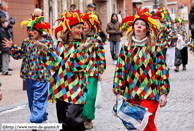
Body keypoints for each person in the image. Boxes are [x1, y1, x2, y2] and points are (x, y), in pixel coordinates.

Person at [34, 10, 95, 131]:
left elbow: (77, 67)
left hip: (76, 88)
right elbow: (54, 66)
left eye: (82, 28)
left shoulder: (84, 45)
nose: (81, 31)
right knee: (63, 122)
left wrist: (80, 51)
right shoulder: (57, 45)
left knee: (74, 120)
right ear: (68, 28)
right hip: (60, 88)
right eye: (78, 27)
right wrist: (46, 51)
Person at [114, 7, 170, 131]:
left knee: (146, 123)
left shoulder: (154, 47)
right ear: (133, 28)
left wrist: (163, 92)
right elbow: (120, 71)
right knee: (134, 126)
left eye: (142, 24)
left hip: (150, 93)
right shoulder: (125, 48)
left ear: (147, 29)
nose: (139, 26)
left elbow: (162, 70)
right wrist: (118, 92)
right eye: (137, 24)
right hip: (131, 93)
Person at [2, 15, 52, 123]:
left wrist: (45, 49)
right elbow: (19, 54)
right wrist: (12, 47)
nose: (30, 32)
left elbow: (52, 58)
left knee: (39, 100)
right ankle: (41, 115)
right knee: (32, 102)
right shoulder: (27, 42)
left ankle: (35, 120)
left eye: (33, 30)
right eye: (29, 30)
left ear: (39, 31)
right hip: (29, 76)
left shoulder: (47, 43)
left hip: (41, 77)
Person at [81, 12, 106, 130]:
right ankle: (79, 117)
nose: (84, 25)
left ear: (91, 25)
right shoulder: (78, 38)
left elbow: (101, 56)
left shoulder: (97, 39)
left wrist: (101, 71)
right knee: (80, 95)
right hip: (79, 71)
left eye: (86, 23)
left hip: (92, 72)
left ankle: (88, 119)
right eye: (82, 23)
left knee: (90, 96)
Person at [0, 1, 15, 72]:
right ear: (2, 6)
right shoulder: (1, 14)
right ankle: (4, 69)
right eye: (6, 6)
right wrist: (9, 22)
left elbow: (13, 21)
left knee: (7, 56)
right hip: (4, 45)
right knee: (4, 57)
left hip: (8, 44)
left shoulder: (7, 14)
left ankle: (6, 67)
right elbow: (10, 23)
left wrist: (9, 21)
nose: (7, 7)